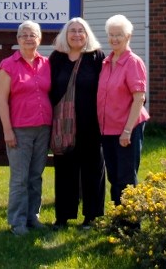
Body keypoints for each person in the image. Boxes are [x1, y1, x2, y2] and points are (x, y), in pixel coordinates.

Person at [49, 17, 106, 229]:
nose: (76, 34)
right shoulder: (57, 58)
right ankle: (63, 216)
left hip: (91, 125)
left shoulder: (96, 57)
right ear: (65, 34)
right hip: (63, 125)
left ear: (87, 34)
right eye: (72, 30)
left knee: (92, 169)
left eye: (81, 31)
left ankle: (92, 216)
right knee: (64, 169)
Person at [0, 20, 52, 236]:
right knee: (19, 178)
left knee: (36, 175)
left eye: (33, 35)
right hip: (19, 129)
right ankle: (17, 222)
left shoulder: (46, 64)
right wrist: (8, 131)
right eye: (25, 35)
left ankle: (33, 217)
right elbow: (2, 100)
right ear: (18, 39)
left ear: (40, 39)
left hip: (43, 127)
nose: (29, 38)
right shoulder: (8, 65)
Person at [97, 14, 150, 206]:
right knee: (114, 176)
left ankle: (130, 224)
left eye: (119, 34)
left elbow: (139, 98)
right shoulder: (105, 62)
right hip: (108, 128)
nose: (114, 39)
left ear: (128, 36)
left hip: (127, 128)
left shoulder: (133, 62)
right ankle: (118, 219)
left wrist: (127, 131)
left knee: (126, 177)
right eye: (111, 35)